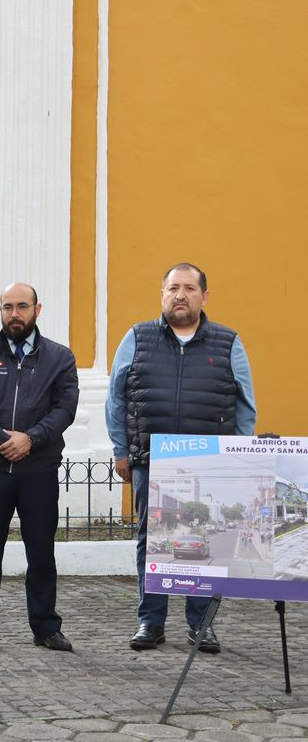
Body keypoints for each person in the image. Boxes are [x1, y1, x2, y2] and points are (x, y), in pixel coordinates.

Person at [107, 262, 256, 655]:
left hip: (210, 463)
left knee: (202, 540)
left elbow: (245, 405)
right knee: (150, 541)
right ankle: (150, 622)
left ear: (203, 296)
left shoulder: (228, 342)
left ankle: (201, 625)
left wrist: (240, 458)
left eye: (190, 288)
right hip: (150, 460)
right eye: (173, 288)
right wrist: (121, 449)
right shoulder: (137, 338)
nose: (180, 295)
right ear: (162, 294)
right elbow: (116, 397)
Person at [0, 283, 79, 652]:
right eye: (7, 306)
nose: (14, 314)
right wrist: (4, 442)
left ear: (37, 309)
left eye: (22, 306)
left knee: (41, 551)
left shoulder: (60, 357)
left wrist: (32, 438)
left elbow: (65, 409)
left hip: (39, 470)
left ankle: (45, 627)